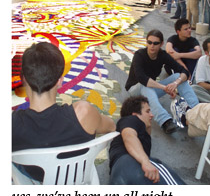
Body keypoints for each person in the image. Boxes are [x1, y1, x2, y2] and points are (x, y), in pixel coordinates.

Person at [12, 42, 116, 182]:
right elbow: (111, 127)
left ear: (23, 79)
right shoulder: (84, 113)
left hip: (34, 179)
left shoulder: (12, 124)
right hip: (77, 177)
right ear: (60, 81)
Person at [125, 29, 199, 134]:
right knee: (145, 85)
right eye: (149, 42)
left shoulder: (162, 55)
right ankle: (165, 121)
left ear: (161, 44)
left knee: (178, 76)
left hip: (150, 90)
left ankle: (197, 109)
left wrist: (175, 83)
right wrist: (164, 88)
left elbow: (184, 72)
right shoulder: (139, 55)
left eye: (156, 43)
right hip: (135, 91)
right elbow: (142, 78)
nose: (152, 46)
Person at [109, 96, 186, 185]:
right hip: (131, 163)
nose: (151, 115)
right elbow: (129, 136)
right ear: (135, 115)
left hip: (118, 174)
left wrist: (148, 125)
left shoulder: (139, 133)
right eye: (147, 111)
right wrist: (145, 162)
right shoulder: (131, 119)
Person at [192, 38, 210, 103]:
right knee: (193, 89)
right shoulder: (202, 60)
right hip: (207, 89)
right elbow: (200, 83)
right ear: (206, 53)